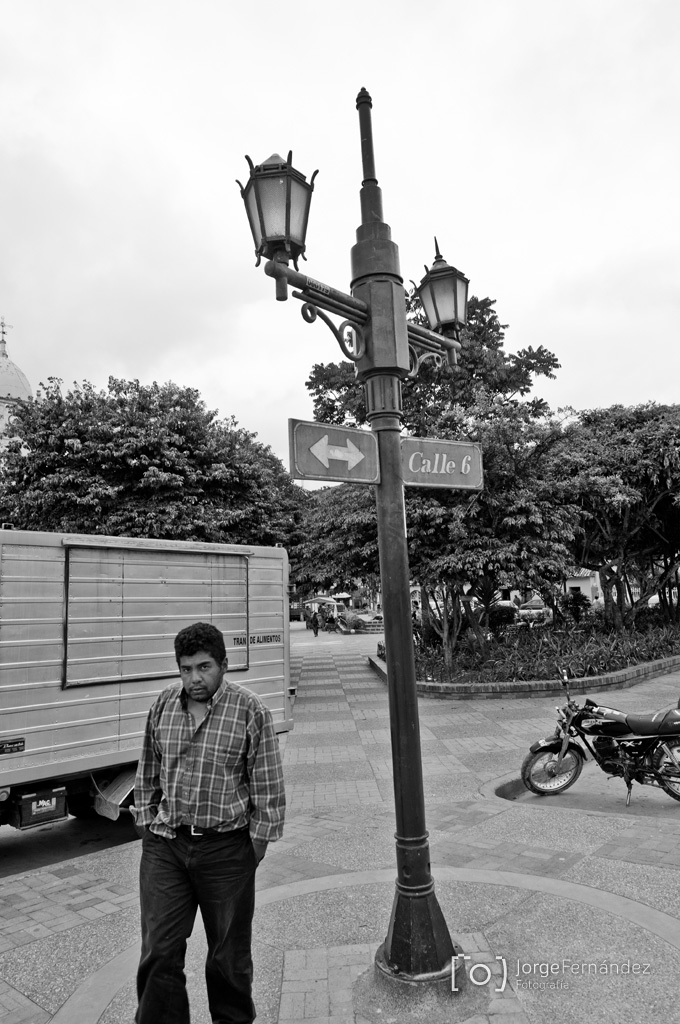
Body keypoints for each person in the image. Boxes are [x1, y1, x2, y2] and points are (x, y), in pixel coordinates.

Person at [134, 621, 285, 1024]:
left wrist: (254, 847)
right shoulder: (163, 706)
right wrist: (147, 824)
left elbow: (268, 785)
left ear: (224, 664)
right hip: (167, 845)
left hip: (226, 848)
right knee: (159, 952)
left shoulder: (250, 710)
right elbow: (147, 771)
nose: (194, 678)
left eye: (204, 667)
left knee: (228, 959)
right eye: (186, 669)